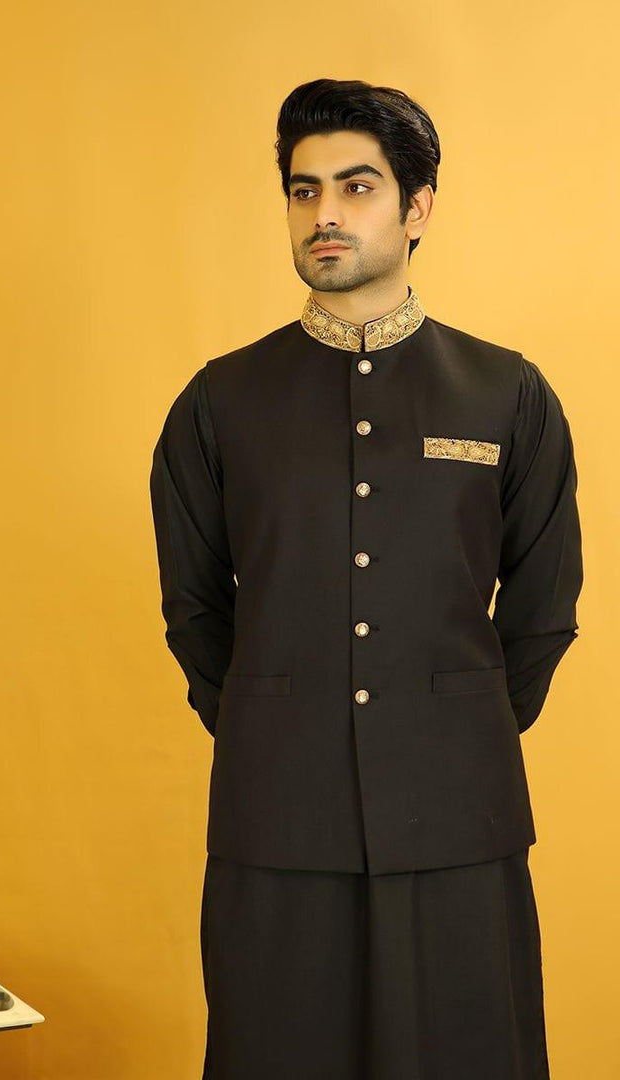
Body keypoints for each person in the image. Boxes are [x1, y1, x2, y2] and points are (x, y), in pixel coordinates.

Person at [149, 77, 583, 1079]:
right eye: (304, 191)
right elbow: (194, 607)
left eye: (356, 186)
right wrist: (273, 720)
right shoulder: (221, 400)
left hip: (460, 812)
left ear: (416, 207)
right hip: (276, 812)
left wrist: (450, 724)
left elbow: (544, 606)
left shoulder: (507, 393)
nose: (326, 215)